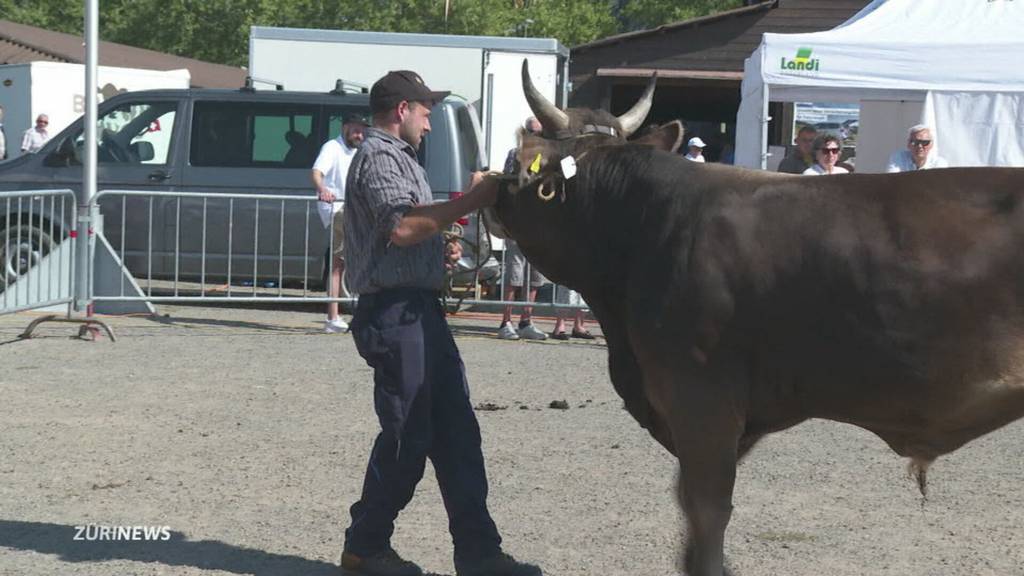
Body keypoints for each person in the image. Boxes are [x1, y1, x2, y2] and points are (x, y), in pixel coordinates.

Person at [340, 69, 542, 576]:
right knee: (410, 432)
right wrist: (471, 202)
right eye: (426, 112)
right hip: (394, 314)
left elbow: (412, 229)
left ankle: (479, 553)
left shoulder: (401, 159)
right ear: (402, 110)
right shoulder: (379, 156)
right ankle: (365, 546)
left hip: (415, 309)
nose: (429, 124)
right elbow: (404, 226)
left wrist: (440, 245)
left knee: (457, 433)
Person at [311, 112, 369, 333]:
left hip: (355, 209)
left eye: (363, 131)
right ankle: (332, 317)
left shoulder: (358, 151)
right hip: (339, 210)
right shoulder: (332, 148)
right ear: (345, 128)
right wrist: (323, 189)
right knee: (338, 265)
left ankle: (345, 315)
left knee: (353, 263)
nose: (360, 135)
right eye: (356, 130)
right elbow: (317, 172)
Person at [498, 116, 548, 341]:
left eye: (539, 133)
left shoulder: (548, 155)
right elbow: (507, 182)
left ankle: (526, 320)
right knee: (514, 273)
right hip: (518, 222)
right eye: (531, 132)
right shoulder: (515, 153)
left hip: (540, 224)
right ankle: (505, 322)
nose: (535, 137)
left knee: (535, 274)